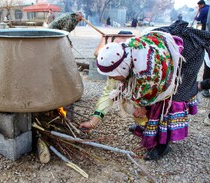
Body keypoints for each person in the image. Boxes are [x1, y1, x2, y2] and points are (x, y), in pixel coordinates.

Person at [80, 20, 210, 160]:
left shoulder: (148, 69)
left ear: (122, 68)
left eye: (114, 75)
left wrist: (144, 107)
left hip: (189, 52)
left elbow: (161, 92)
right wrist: (93, 121)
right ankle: (149, 127)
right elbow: (109, 92)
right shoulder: (119, 60)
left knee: (173, 97)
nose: (113, 78)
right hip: (164, 52)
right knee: (138, 100)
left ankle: (162, 145)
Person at [195, 0, 210, 97]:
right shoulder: (207, 8)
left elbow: (199, 19)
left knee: (208, 66)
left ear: (201, 5)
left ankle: (205, 88)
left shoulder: (204, 10)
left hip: (206, 33)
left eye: (199, 6)